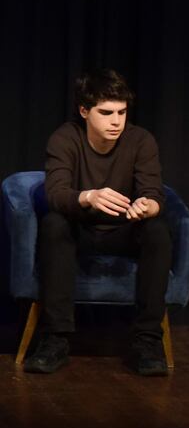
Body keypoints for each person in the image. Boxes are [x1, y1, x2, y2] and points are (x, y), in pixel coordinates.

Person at [23, 69, 172, 376]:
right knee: (54, 224)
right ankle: (55, 339)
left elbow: (155, 193)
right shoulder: (65, 138)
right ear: (84, 111)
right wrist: (88, 196)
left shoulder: (141, 140)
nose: (116, 121)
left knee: (157, 230)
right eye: (106, 113)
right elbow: (55, 194)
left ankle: (147, 342)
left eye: (121, 112)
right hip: (81, 229)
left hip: (124, 229)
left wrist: (148, 206)